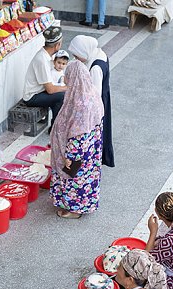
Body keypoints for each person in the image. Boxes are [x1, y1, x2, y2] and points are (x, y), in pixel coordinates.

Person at [50, 60, 104, 219]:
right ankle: (81, 205)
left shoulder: (80, 103)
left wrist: (70, 157)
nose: (66, 78)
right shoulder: (90, 92)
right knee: (86, 176)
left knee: (76, 178)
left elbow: (78, 134)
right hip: (91, 149)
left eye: (68, 75)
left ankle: (74, 210)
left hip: (78, 151)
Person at [68, 35, 114, 167]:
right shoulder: (99, 53)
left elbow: (94, 94)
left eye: (77, 56)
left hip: (96, 103)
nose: (76, 59)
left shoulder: (95, 68)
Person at [22, 26, 67, 130]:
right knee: (62, 96)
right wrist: (68, 87)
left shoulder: (47, 55)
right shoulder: (42, 59)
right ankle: (56, 129)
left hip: (40, 91)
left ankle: (56, 126)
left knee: (60, 95)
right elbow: (50, 90)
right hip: (32, 97)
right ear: (57, 45)